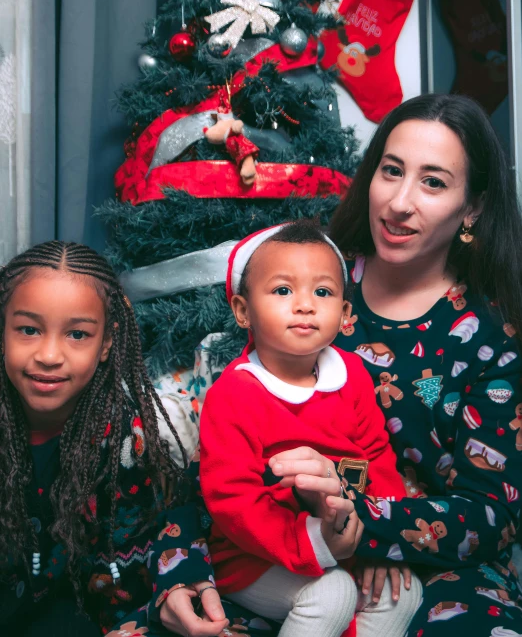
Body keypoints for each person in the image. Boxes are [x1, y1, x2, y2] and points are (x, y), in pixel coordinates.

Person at [268, 94, 522, 636]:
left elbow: (492, 516)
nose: (399, 202)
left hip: (446, 573)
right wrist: (184, 562)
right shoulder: (312, 285)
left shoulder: (493, 335)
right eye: (391, 171)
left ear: (472, 207)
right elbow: (231, 425)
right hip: (284, 542)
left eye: (433, 182)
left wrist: (371, 528)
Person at [0, 240, 270, 637]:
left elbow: (177, 512)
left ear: (106, 343)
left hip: (105, 613)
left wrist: (177, 582)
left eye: (77, 334)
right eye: (28, 330)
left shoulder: (129, 437)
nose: (50, 354)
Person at [199, 221, 422, 637]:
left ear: (345, 313)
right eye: (283, 290)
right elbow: (232, 500)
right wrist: (313, 543)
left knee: (400, 592)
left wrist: (379, 534)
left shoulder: (351, 374)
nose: (305, 305)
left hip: (346, 532)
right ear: (243, 310)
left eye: (322, 292)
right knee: (332, 593)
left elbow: (374, 456)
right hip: (256, 554)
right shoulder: (234, 393)